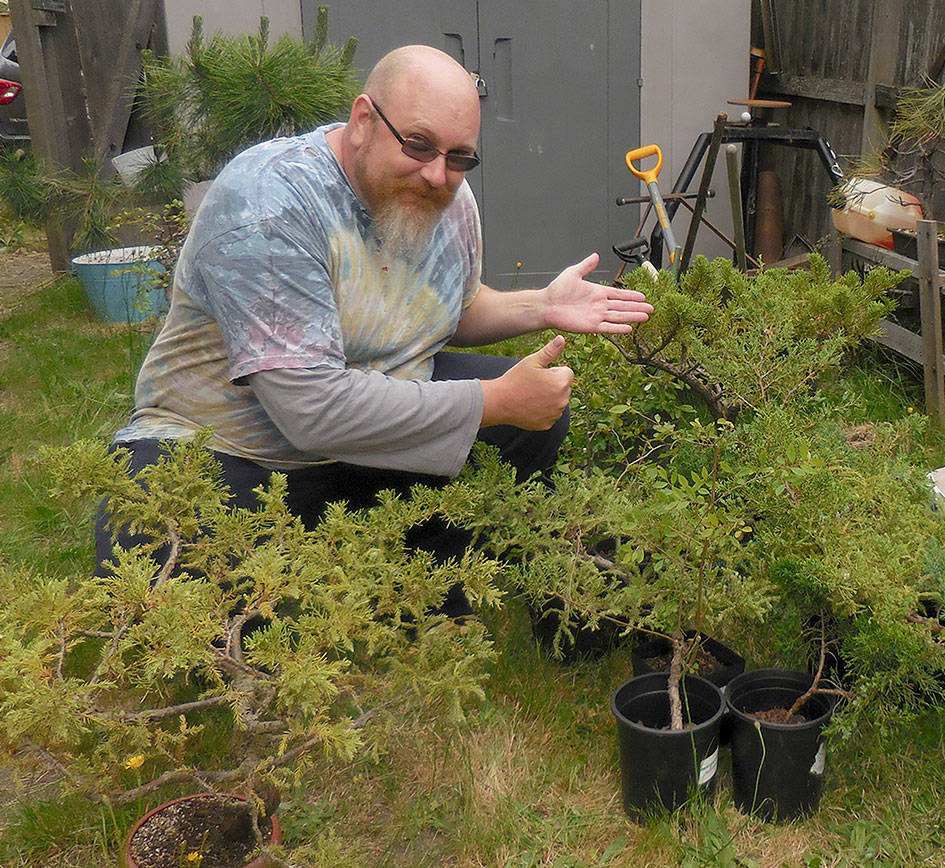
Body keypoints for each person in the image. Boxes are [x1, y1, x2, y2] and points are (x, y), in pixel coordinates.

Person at [95, 45, 653, 616]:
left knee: (536, 414)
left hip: (359, 436)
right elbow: (309, 410)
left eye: (460, 157)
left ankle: (423, 588)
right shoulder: (269, 204)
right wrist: (492, 400)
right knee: (174, 565)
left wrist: (542, 304)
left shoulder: (443, 196)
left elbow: (446, 312)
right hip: (231, 452)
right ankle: (331, 580)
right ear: (364, 121)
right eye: (418, 145)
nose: (439, 173)